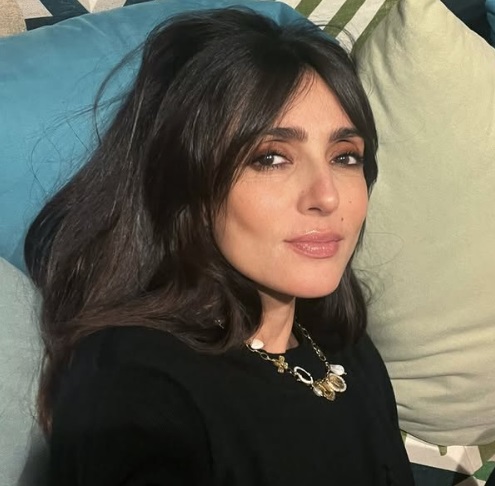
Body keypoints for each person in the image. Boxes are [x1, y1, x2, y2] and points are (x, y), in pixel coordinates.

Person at [24, 7, 414, 486]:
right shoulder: (136, 388)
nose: (327, 196)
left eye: (345, 157)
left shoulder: (340, 345)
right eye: (271, 158)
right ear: (184, 182)